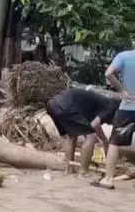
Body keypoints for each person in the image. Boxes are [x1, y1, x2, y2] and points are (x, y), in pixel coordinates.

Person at [46, 88, 117, 175]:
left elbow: (93, 124)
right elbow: (95, 125)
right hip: (66, 105)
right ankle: (83, 171)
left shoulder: (98, 106)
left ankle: (68, 169)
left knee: (72, 135)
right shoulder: (111, 106)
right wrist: (104, 140)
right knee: (91, 137)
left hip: (52, 104)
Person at [92, 49, 135, 189]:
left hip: (128, 107)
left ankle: (108, 179)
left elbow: (108, 73)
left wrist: (122, 90)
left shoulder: (124, 56)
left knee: (114, 143)